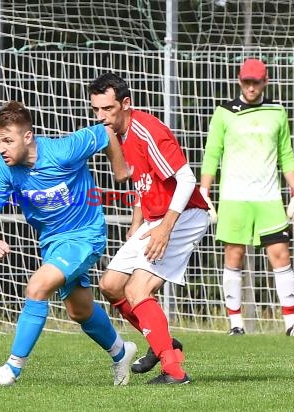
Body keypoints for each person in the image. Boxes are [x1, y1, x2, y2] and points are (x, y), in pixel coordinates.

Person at [0, 101, 136, 386]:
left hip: (86, 235)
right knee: (80, 310)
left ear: (28, 137)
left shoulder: (63, 151)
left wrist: (120, 168)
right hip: (52, 242)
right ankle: (121, 352)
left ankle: (12, 369)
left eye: (8, 140)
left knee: (37, 286)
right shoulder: (4, 168)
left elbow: (106, 131)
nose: (2, 148)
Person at [88, 73, 209, 384]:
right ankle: (162, 343)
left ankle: (174, 370)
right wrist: (136, 223)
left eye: (108, 109)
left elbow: (186, 180)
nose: (101, 117)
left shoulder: (147, 130)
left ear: (126, 104)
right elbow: (145, 185)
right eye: (96, 110)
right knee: (111, 284)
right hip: (156, 219)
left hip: (185, 216)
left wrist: (166, 229)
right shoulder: (119, 135)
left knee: (137, 289)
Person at [200, 58, 294, 337]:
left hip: (269, 197)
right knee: (234, 256)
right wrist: (204, 191)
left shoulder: (277, 111)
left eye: (256, 82)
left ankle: (291, 325)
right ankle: (235, 325)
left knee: (281, 255)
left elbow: (286, 155)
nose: (250, 87)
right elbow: (212, 153)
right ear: (239, 80)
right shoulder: (224, 112)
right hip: (235, 198)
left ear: (265, 81)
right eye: (246, 81)